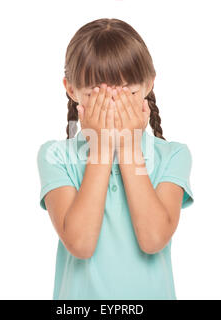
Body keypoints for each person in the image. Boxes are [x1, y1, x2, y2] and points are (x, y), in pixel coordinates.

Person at [37, 18, 194, 300]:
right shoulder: (55, 156)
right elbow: (81, 244)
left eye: (127, 94)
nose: (112, 107)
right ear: (71, 90)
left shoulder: (173, 155)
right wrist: (101, 149)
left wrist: (129, 147)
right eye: (96, 96)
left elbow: (154, 239)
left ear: (149, 84)